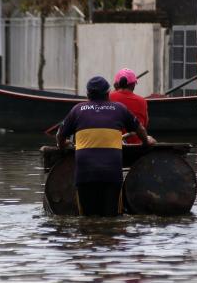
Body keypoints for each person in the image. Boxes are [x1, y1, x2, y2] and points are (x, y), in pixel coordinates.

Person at [57, 76, 149, 217]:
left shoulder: (77, 110)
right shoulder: (119, 109)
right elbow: (141, 130)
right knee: (112, 219)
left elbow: (60, 135)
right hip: (111, 175)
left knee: (87, 220)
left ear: (88, 95)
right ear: (108, 94)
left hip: (85, 176)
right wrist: (145, 142)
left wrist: (63, 145)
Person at [109, 68, 156, 145]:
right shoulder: (142, 101)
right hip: (136, 146)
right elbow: (144, 124)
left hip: (114, 145)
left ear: (116, 84)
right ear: (133, 85)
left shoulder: (109, 97)